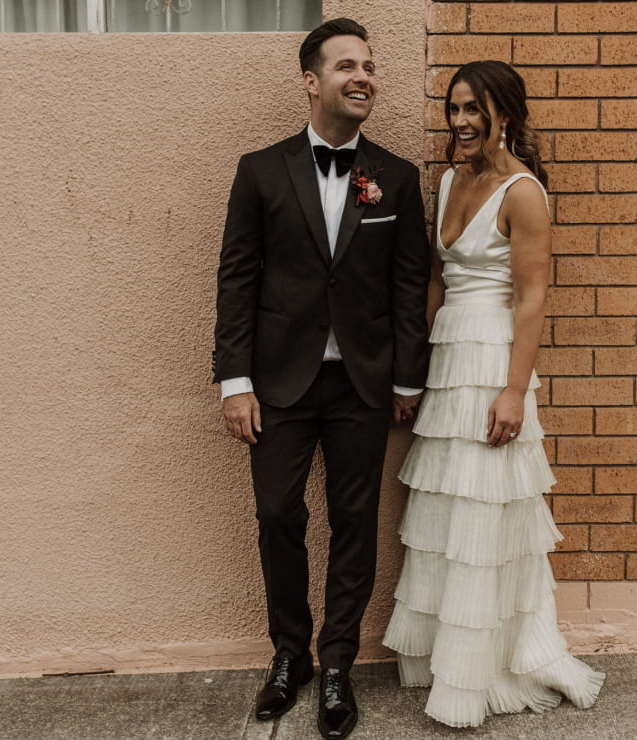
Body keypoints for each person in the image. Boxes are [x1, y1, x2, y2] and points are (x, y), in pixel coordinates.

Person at [213, 18, 430, 739]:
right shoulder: (260, 170)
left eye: (369, 66)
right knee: (277, 515)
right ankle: (289, 655)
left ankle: (338, 661)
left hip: (363, 386)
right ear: (311, 81)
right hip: (278, 384)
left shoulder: (396, 177)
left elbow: (409, 284)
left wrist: (408, 378)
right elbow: (237, 279)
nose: (362, 77)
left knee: (354, 524)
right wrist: (234, 381)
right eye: (346, 66)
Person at [382, 60, 606, 728]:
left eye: (474, 108)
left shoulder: (524, 193)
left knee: (484, 517)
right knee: (448, 515)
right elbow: (436, 279)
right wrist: (415, 368)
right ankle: (446, 658)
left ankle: (482, 673)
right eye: (454, 109)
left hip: (493, 361)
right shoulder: (450, 180)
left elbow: (532, 299)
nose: (461, 121)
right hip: (449, 358)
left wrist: (513, 391)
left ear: (505, 114)